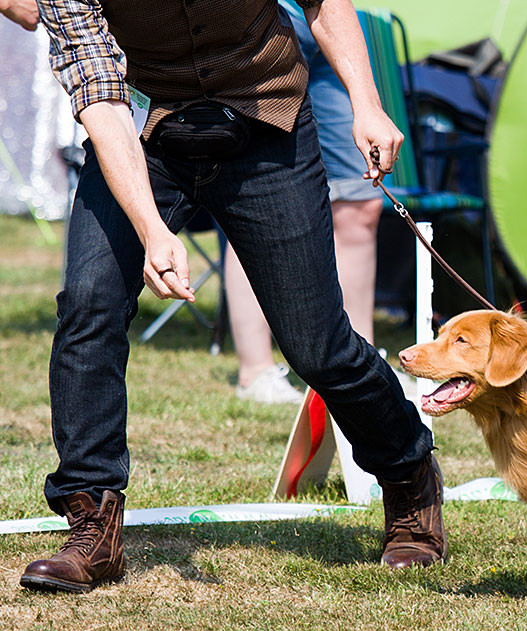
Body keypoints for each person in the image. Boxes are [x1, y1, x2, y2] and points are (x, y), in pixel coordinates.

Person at [21, 0, 447, 594]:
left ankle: (409, 476)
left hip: (268, 122)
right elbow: (99, 95)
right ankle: (92, 524)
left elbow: (322, 3)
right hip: (144, 134)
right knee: (89, 302)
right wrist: (151, 227)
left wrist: (366, 104)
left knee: (317, 345)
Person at [228, 0, 384, 405]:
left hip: (338, 18)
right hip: (259, 20)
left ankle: (363, 369)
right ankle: (256, 370)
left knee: (362, 203)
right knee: (249, 199)